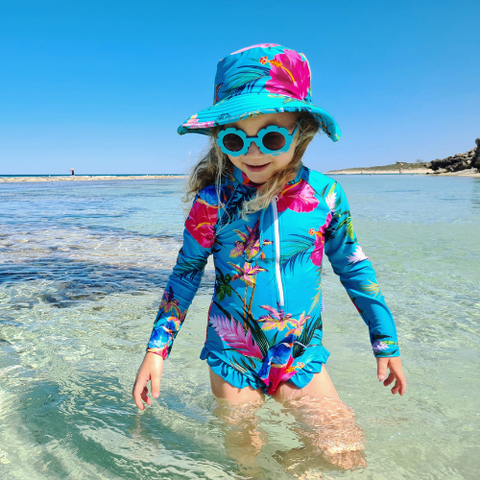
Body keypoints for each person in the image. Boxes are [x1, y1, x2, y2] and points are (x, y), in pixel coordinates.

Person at [132, 44, 406, 474]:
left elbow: (354, 268)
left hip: (300, 354)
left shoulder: (326, 196)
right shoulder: (213, 202)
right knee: (246, 456)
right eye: (236, 138)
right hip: (232, 355)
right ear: (221, 138)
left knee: (346, 455)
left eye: (272, 136)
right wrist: (156, 351)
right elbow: (185, 276)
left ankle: (293, 465)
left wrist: (384, 338)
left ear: (302, 132)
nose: (252, 152)